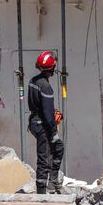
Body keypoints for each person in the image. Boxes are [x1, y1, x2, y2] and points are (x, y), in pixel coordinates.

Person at [28, 51, 64, 194]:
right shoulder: (46, 86)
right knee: (45, 155)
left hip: (34, 121)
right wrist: (54, 131)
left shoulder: (33, 81)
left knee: (56, 148)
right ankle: (42, 191)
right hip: (42, 124)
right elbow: (48, 112)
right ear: (51, 68)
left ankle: (52, 183)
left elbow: (39, 105)